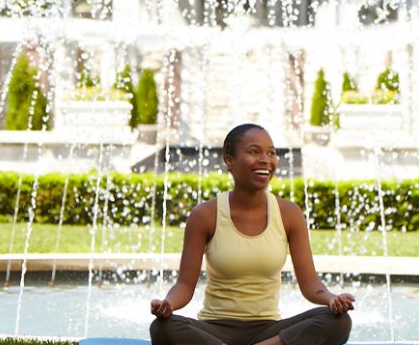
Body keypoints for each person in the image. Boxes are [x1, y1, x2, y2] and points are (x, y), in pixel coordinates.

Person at [150, 123, 354, 345]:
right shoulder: (204, 215)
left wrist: (332, 299)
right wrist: (168, 303)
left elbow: (311, 285)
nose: (266, 160)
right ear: (230, 160)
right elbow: (184, 286)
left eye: (271, 153)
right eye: (254, 152)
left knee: (338, 321)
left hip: (269, 330)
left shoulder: (290, 214)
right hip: (215, 330)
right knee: (162, 328)